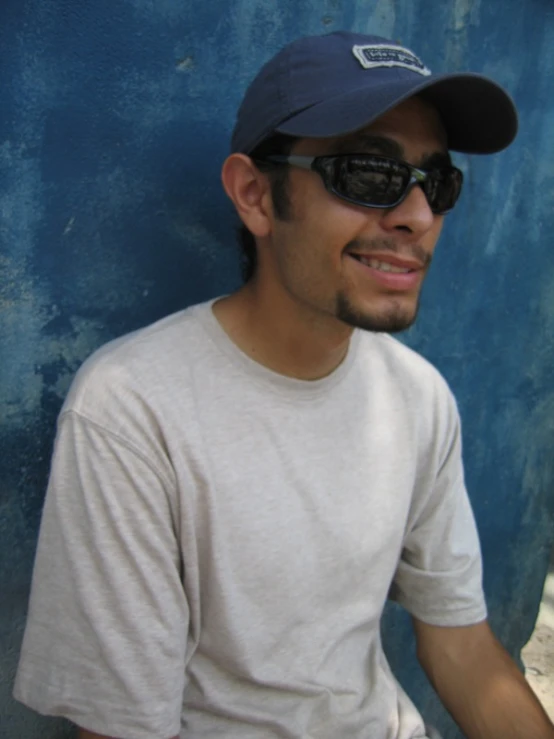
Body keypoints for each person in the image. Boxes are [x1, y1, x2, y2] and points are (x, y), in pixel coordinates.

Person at [13, 30, 554, 739]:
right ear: (254, 195)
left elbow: (464, 650)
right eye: (368, 174)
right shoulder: (133, 409)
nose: (418, 217)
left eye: (438, 182)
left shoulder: (418, 398)